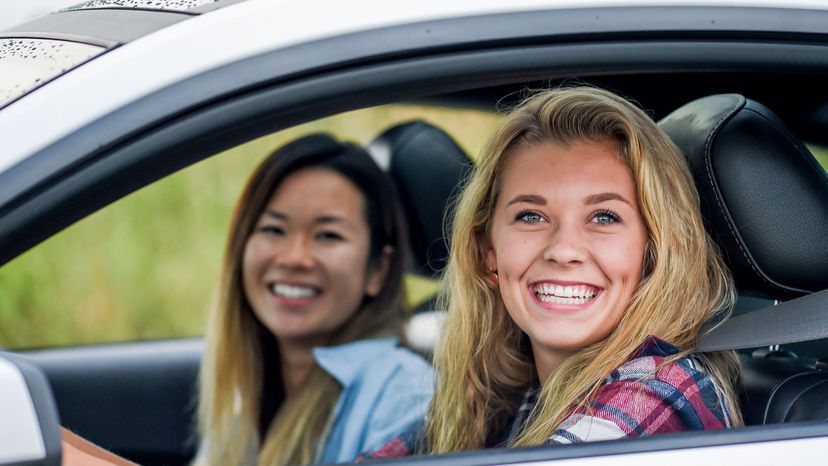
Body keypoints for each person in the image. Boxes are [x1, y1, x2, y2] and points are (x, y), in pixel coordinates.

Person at [362, 86, 742, 459]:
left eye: (604, 217)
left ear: (654, 253)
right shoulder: (507, 394)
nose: (563, 250)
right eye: (531, 216)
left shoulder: (656, 398)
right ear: (488, 253)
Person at [195, 134, 433, 465]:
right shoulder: (245, 390)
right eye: (273, 230)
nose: (294, 258)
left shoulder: (402, 392)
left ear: (378, 269)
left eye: (327, 235)